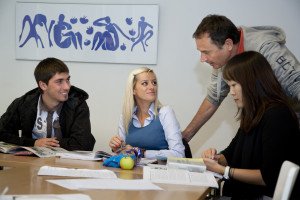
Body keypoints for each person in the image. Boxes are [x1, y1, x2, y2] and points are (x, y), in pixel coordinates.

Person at [182, 14, 300, 142]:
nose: (202, 59)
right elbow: (213, 98)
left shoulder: (266, 48)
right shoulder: (222, 60)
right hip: (265, 123)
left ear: (228, 44)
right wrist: (185, 137)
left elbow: (296, 84)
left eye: (206, 52)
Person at [201, 51, 300, 199]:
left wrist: (224, 170)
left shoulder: (278, 116)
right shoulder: (253, 113)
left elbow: (268, 176)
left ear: (251, 82)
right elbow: (230, 154)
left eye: (234, 85)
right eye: (229, 86)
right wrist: (215, 158)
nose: (231, 92)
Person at [0, 57, 95, 151]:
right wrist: (34, 143)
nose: (67, 87)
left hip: (64, 162)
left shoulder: (77, 104)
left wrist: (47, 144)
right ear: (43, 85)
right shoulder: (24, 103)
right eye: (59, 81)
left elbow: (83, 143)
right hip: (32, 162)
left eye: (67, 80)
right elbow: (2, 132)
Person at [109, 67, 185, 159]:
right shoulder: (126, 116)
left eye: (154, 83)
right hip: (133, 172)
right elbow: (124, 152)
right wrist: (116, 147)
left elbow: (179, 154)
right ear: (133, 90)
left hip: (160, 171)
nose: (152, 87)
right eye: (145, 83)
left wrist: (142, 153)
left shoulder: (165, 112)